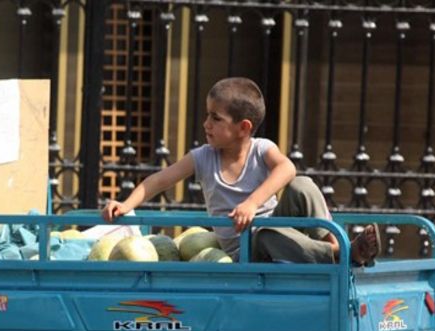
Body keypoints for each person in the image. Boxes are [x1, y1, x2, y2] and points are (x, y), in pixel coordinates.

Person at [101, 77, 380, 264]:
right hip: (247, 250)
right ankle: (344, 254)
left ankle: (340, 248)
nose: (206, 124)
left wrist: (251, 203)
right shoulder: (203, 157)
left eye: (216, 118)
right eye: (207, 115)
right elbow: (159, 181)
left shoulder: (261, 149)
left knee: (303, 185)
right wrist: (126, 204)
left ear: (243, 127)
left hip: (276, 230)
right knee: (267, 234)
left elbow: (287, 169)